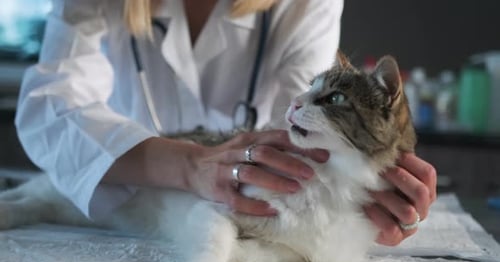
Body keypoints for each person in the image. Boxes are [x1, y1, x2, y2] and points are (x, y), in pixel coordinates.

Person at [15, 0, 436, 246]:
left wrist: (371, 180)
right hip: (116, 193)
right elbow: (50, 104)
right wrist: (186, 163)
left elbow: (305, 135)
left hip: (236, 214)